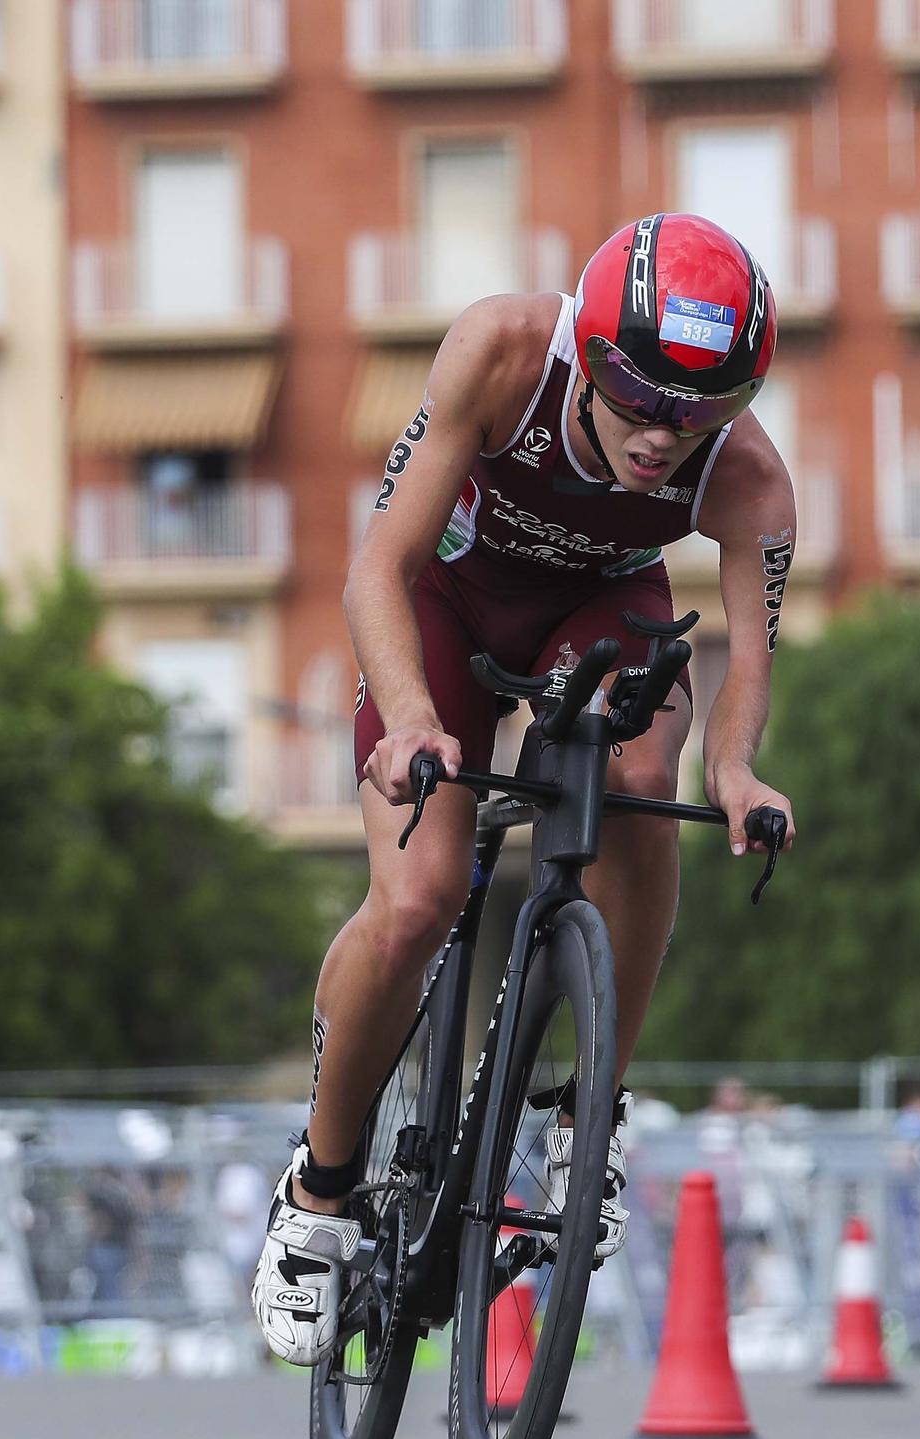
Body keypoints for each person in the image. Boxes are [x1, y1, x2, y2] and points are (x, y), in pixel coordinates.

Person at [254, 214, 799, 1364]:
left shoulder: (746, 474)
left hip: (594, 609)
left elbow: (746, 666)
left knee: (646, 775)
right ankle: (319, 1189)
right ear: (590, 353)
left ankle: (583, 1117)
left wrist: (740, 773)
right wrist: (410, 719)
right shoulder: (503, 351)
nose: (663, 436)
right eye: (637, 395)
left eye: (697, 411)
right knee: (419, 899)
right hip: (444, 605)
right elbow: (377, 570)